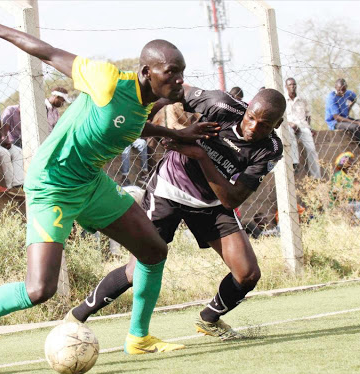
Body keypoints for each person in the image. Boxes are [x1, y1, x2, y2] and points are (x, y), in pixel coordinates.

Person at [0, 8, 220, 367]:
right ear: (146, 72)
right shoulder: (107, 80)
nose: (179, 80)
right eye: (172, 72)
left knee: (154, 251)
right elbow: (47, 52)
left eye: (182, 72)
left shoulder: (147, 102)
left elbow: (128, 126)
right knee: (38, 289)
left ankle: (138, 338)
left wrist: (175, 133)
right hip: (52, 184)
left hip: (90, 182)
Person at [67, 87, 286, 341]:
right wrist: (153, 126)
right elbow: (176, 92)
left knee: (247, 274)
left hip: (212, 203)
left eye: (264, 124)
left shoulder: (270, 149)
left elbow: (231, 198)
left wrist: (201, 156)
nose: (252, 127)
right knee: (137, 269)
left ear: (277, 124)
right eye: (251, 117)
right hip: (169, 191)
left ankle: (209, 319)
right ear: (246, 108)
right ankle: (75, 317)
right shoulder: (221, 106)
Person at [285, 78, 321, 178]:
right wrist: (290, 123)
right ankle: (295, 162)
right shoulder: (284, 100)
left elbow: (308, 115)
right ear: (286, 86)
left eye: (294, 84)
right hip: (289, 126)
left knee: (312, 150)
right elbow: (281, 117)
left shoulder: (302, 100)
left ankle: (316, 177)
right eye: (290, 85)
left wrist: (309, 127)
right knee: (289, 133)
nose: (292, 86)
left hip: (303, 126)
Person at [325, 79, 360, 163]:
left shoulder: (347, 93)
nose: (341, 92)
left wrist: (348, 108)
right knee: (357, 127)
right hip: (336, 122)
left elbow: (354, 98)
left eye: (343, 89)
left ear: (346, 88)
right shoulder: (331, 97)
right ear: (335, 87)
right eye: (339, 89)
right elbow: (337, 117)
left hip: (345, 118)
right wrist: (356, 122)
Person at [330, 151, 360, 222]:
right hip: (342, 203)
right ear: (344, 163)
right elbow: (336, 193)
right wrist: (352, 193)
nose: (353, 162)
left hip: (352, 202)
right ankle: (354, 222)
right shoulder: (338, 175)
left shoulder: (351, 176)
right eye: (350, 160)